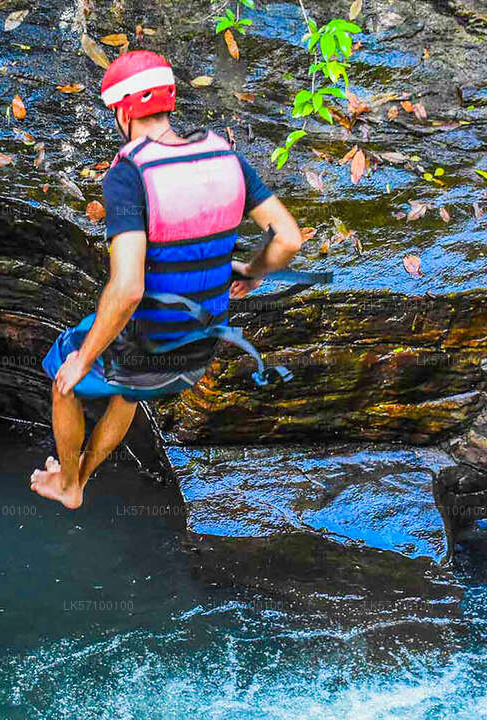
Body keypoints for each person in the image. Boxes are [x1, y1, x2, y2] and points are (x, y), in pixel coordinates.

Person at [32, 50, 308, 510]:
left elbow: (128, 288)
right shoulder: (227, 157)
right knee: (128, 392)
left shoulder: (130, 175)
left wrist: (84, 360)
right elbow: (289, 239)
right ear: (169, 101)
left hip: (145, 339)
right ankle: (82, 477)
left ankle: (69, 483)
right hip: (198, 349)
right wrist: (252, 273)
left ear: (122, 111)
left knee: (63, 376)